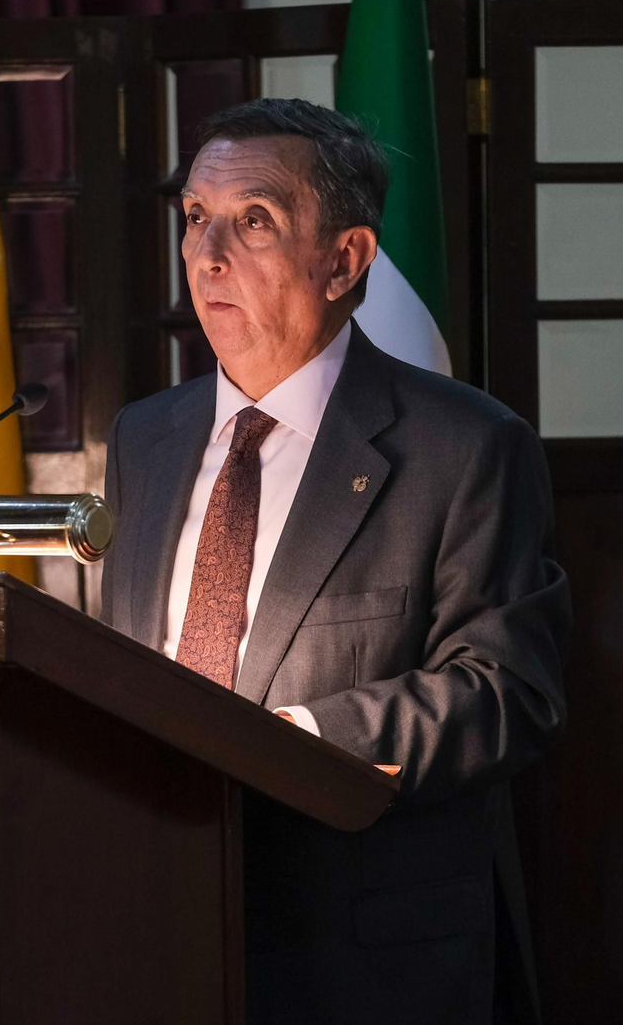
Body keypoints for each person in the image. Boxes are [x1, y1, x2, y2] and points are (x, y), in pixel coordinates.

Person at [99, 98, 571, 1024]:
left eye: (255, 220)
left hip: (359, 958)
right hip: (156, 926)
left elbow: (510, 692)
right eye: (195, 217)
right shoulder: (142, 439)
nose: (208, 253)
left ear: (345, 260)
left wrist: (286, 744)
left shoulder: (466, 446)